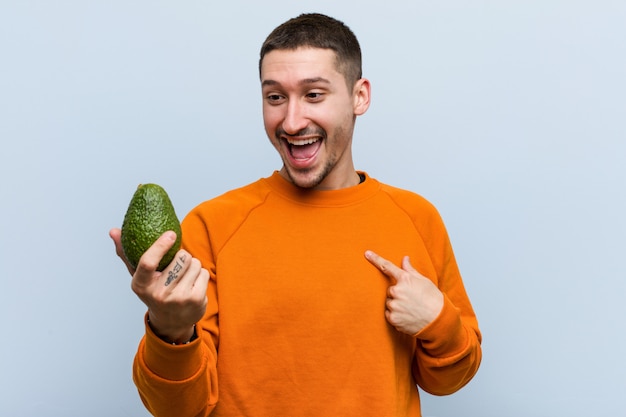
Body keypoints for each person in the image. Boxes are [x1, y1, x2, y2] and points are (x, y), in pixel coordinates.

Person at [110, 13, 481, 417]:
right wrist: (170, 329)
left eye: (314, 95)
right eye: (275, 97)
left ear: (360, 96)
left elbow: (447, 381)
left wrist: (437, 321)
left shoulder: (416, 218)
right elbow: (180, 409)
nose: (291, 121)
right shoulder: (213, 225)